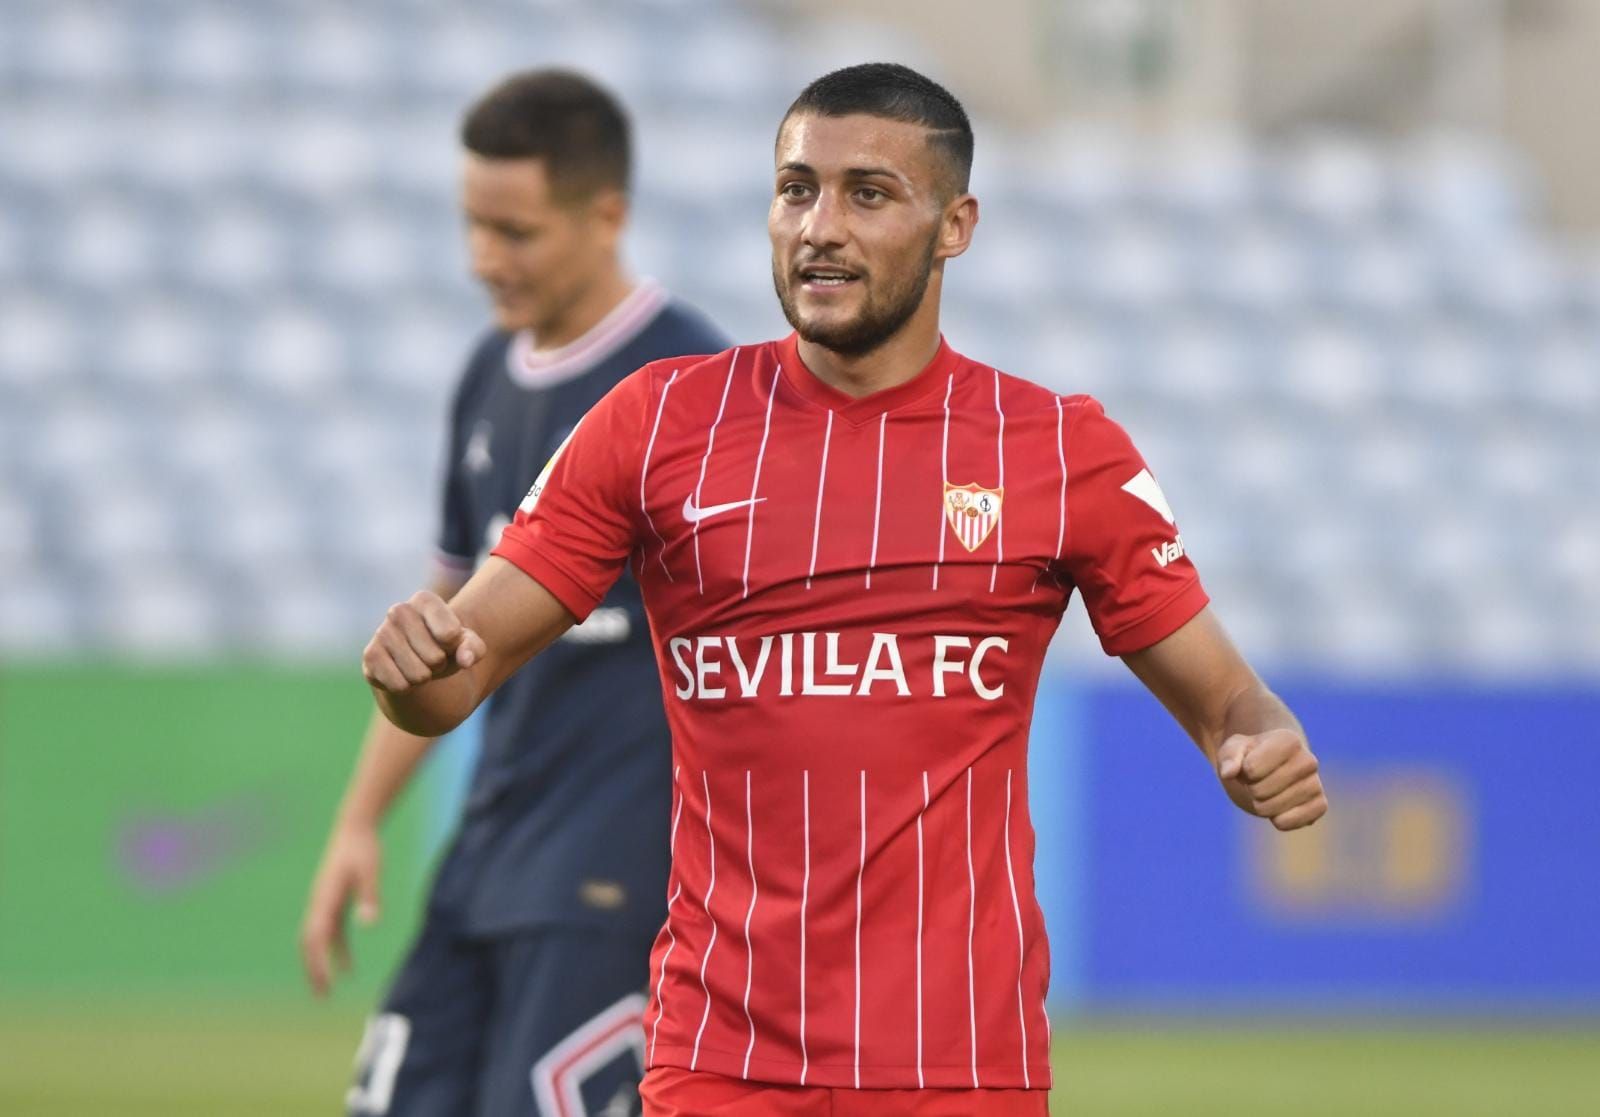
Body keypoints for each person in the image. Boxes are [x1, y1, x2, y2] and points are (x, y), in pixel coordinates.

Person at [358, 62, 1328, 1117]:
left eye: (867, 193)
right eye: (795, 188)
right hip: (717, 1060)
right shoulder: (657, 425)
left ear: (953, 225)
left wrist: (1256, 742)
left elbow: (1228, 700)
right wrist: (416, 668)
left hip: (959, 1068)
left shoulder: (1058, 450)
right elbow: (460, 672)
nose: (819, 224)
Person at [300, 69, 729, 1117]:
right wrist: (359, 822)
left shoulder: (697, 384)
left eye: (517, 231)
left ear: (606, 216)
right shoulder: (486, 377)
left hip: (612, 873)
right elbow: (446, 629)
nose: (485, 258)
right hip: (485, 855)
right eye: (473, 226)